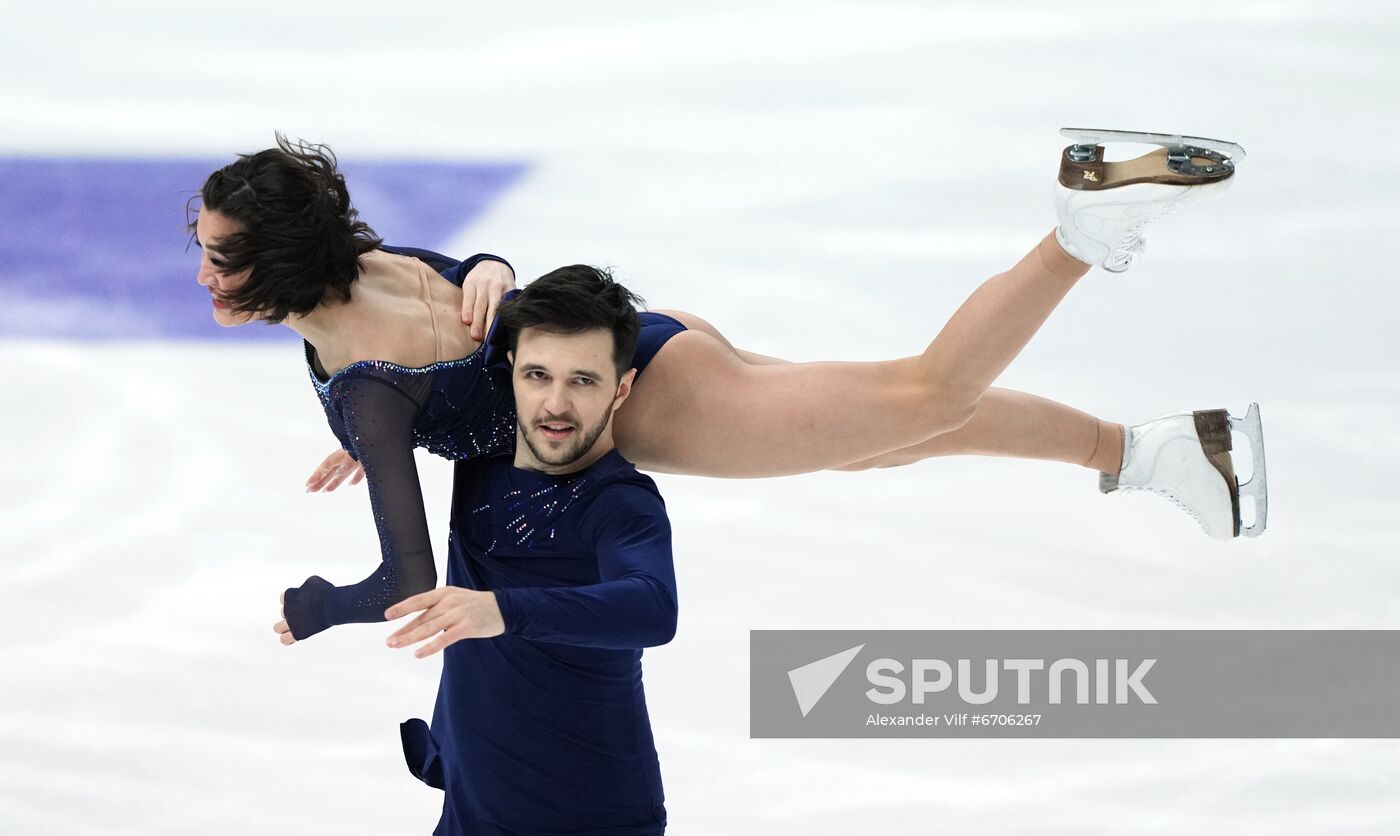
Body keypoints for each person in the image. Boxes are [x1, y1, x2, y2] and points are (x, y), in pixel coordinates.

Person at [184, 133, 1265, 643]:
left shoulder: (357, 379)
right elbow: (464, 287)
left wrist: (310, 605)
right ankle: (1160, 449)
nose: (205, 277)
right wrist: (477, 300)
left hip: (644, 397)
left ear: (283, 254)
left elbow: (405, 577)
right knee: (879, 435)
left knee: (923, 393)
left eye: (224, 257)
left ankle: (1080, 231)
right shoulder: (368, 265)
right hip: (640, 341)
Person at [380, 270, 677, 834]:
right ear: (509, 368)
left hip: (590, 818)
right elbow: (384, 269)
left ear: (622, 387)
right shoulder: (486, 446)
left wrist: (501, 610)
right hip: (473, 808)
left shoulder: (618, 504)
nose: (555, 405)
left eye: (584, 381)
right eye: (537, 375)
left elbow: (653, 608)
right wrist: (483, 266)